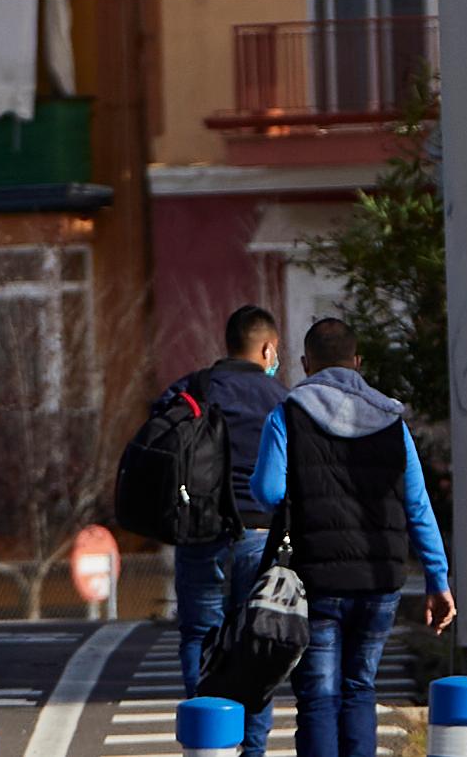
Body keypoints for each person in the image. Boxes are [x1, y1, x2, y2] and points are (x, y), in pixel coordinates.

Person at [250, 317, 456, 757]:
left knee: (320, 696)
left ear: (307, 364)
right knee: (360, 687)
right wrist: (438, 582)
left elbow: (268, 492)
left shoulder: (288, 413)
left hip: (317, 581)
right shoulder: (392, 421)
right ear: (357, 362)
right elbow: (418, 507)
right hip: (381, 578)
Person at [155, 304, 286, 757]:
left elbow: (158, 431)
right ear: (268, 348)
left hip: (200, 532)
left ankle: (209, 739)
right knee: (258, 643)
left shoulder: (196, 387)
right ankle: (251, 750)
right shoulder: (279, 399)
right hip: (260, 535)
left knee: (199, 635)